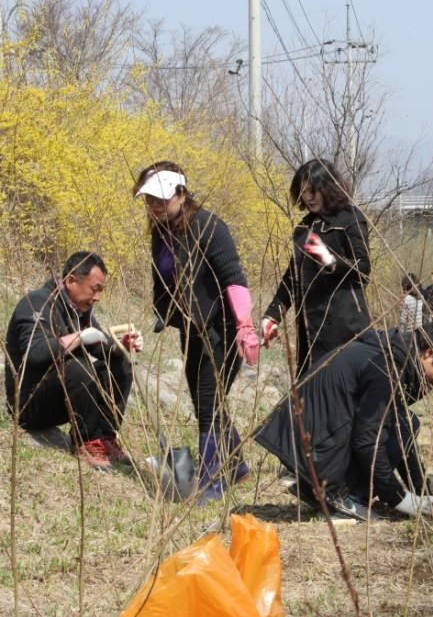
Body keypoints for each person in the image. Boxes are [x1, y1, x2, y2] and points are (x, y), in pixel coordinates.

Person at [136, 161, 260, 504]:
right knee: (206, 399)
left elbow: (234, 277)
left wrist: (245, 327)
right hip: (192, 330)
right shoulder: (162, 233)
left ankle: (209, 483)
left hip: (222, 331)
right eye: (149, 200)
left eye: (161, 199)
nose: (154, 206)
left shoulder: (209, 227)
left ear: (181, 193)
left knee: (208, 403)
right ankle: (236, 466)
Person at [254, 322, 433, 521]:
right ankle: (342, 496)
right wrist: (398, 498)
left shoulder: (390, 352)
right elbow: (368, 440)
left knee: (405, 422)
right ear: (429, 353)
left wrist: (422, 493)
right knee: (395, 425)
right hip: (310, 446)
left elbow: (400, 431)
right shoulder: (386, 368)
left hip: (306, 440)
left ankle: (326, 486)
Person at [4, 252, 142, 470]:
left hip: (57, 397)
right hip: (29, 404)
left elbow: (100, 347)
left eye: (100, 291)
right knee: (77, 365)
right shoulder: (37, 302)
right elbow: (36, 353)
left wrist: (121, 346)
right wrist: (78, 338)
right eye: (94, 289)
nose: (97, 297)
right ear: (71, 281)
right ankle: (86, 441)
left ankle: (105, 436)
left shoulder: (78, 310)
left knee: (121, 362)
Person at [262, 159, 372, 376]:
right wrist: (272, 315)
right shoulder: (304, 228)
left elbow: (363, 268)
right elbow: (292, 278)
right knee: (312, 394)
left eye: (314, 190)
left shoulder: (350, 219)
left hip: (345, 329)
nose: (309, 197)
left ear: (328, 188)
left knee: (344, 392)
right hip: (309, 332)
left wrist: (330, 260)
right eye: (304, 192)